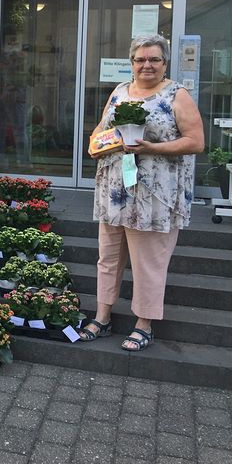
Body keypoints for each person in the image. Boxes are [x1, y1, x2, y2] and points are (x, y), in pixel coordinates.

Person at [80, 34, 204, 351]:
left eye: (154, 59)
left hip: (155, 198)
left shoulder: (177, 95)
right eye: (140, 59)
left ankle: (144, 323)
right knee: (108, 259)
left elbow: (195, 142)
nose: (146, 65)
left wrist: (153, 147)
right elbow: (99, 131)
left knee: (148, 262)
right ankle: (103, 316)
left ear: (164, 63)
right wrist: (99, 144)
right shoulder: (121, 91)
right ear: (131, 63)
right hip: (115, 191)